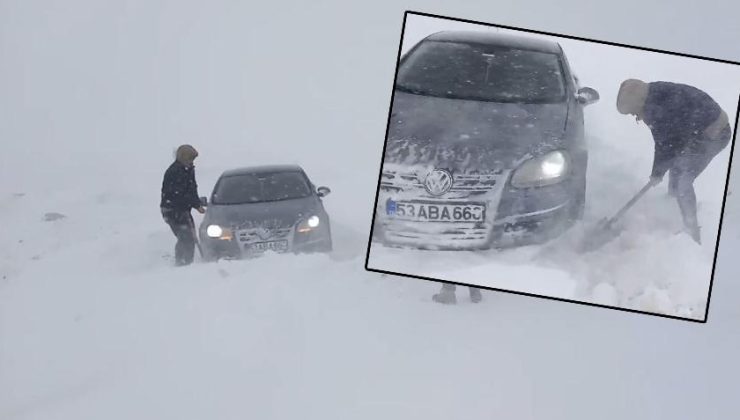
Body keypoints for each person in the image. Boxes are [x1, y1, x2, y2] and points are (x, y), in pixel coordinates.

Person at [616, 79, 731, 244]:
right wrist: (658, 172)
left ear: (640, 103)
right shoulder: (653, 97)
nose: (636, 116)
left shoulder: (659, 108)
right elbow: (665, 142)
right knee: (677, 168)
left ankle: (691, 231)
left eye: (634, 112)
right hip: (695, 133)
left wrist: (657, 173)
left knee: (684, 179)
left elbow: (669, 143)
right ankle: (671, 208)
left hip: (715, 133)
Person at [160, 144, 205, 266]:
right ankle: (182, 263)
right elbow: (177, 194)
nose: (192, 162)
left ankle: (187, 262)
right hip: (171, 209)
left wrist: (197, 204)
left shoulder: (189, 170)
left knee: (189, 235)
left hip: (183, 208)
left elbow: (192, 189)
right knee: (186, 237)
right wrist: (194, 204)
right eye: (190, 159)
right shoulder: (174, 172)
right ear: (183, 157)